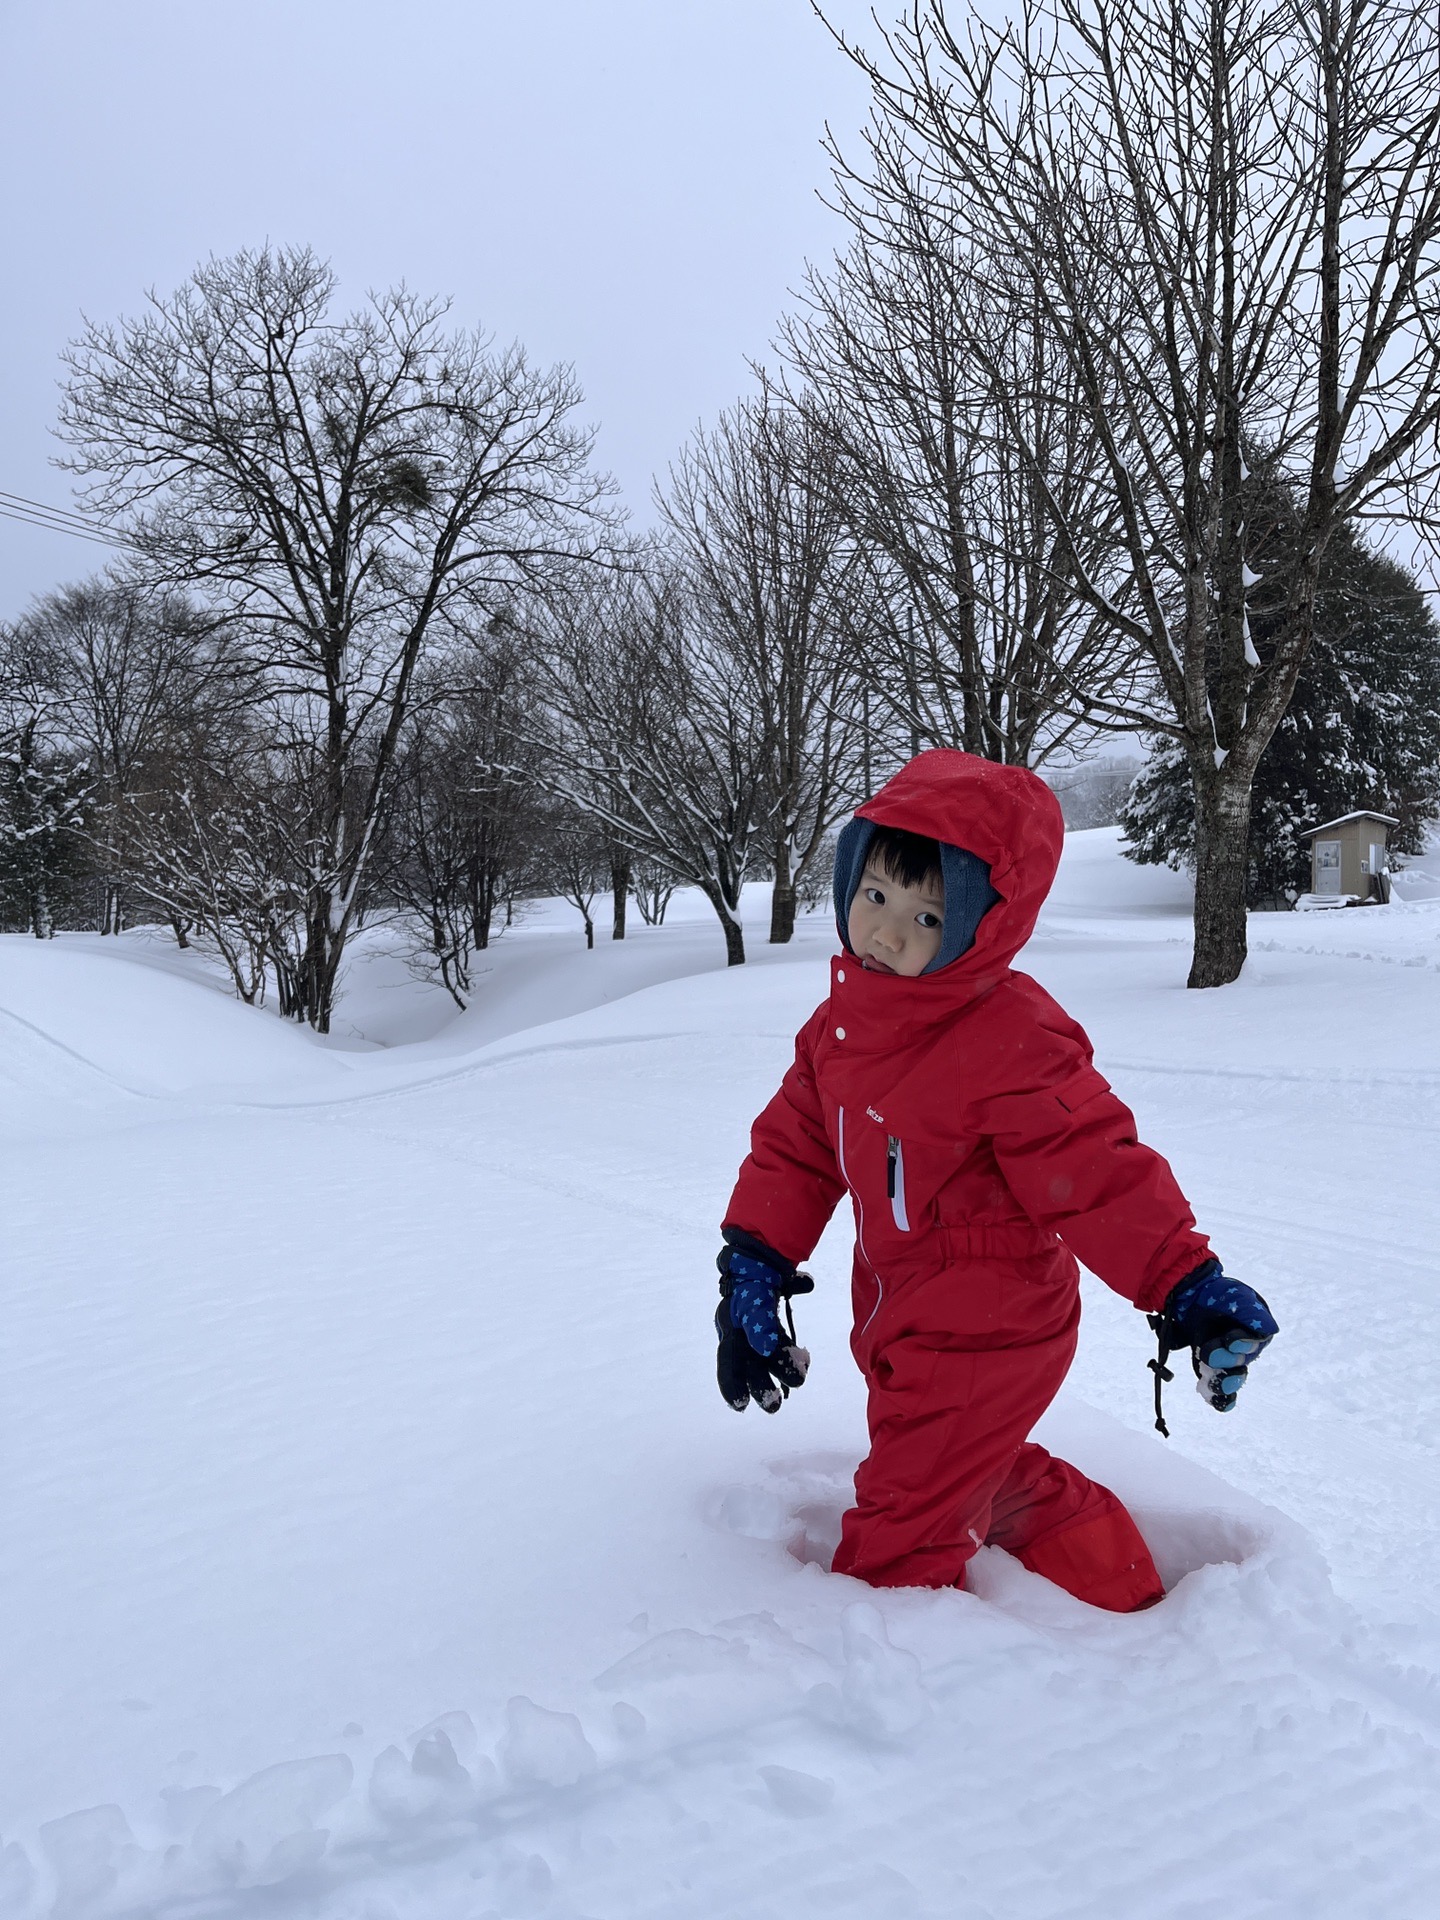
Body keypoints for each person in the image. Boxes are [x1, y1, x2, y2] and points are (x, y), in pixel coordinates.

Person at [714, 749, 1278, 1610]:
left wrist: (1186, 1283)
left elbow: (1097, 1172)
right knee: (962, 1465)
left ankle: (905, 1669)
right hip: (904, 1315)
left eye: (930, 917)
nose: (890, 933)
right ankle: (1112, 1572)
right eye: (876, 898)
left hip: (989, 1329)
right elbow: (795, 1148)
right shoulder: (840, 1026)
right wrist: (751, 1263)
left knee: (901, 1534)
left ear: (988, 923)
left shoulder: (1008, 1036)